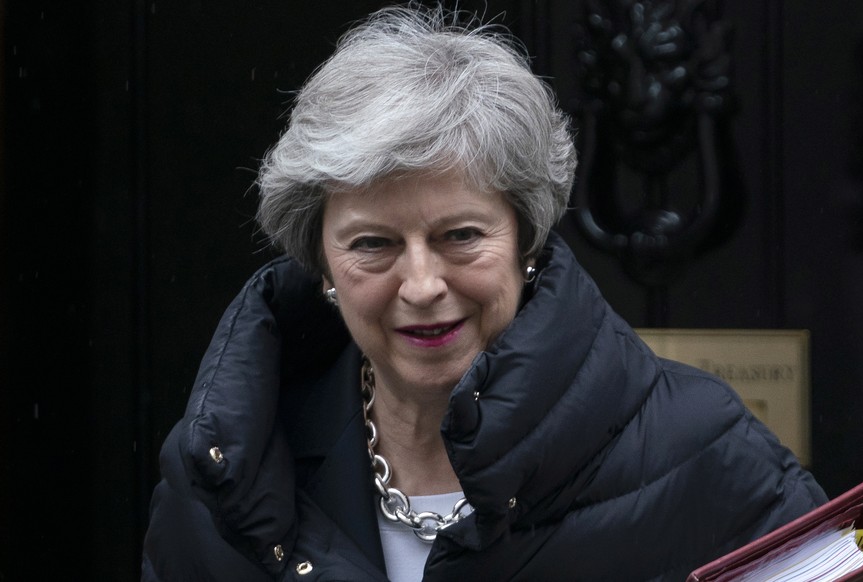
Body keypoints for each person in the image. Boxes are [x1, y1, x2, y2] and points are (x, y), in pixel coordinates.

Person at [141, 4, 827, 581]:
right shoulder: (228, 465)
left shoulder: (702, 450)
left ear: (526, 239)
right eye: (372, 244)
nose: (421, 285)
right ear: (318, 262)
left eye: (460, 235)